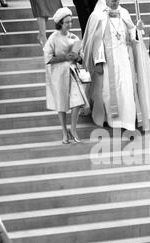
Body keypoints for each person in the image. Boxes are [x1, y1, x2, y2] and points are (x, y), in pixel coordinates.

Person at [82, 0, 150, 132]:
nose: (115, 3)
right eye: (112, 1)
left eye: (117, 0)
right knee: (108, 91)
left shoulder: (124, 13)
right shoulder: (98, 15)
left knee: (127, 90)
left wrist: (137, 29)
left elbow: (131, 34)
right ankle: (112, 120)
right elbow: (96, 41)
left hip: (125, 59)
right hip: (108, 61)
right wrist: (98, 60)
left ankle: (128, 120)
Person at [44, 7, 89, 144]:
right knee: (61, 103)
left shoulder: (74, 37)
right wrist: (65, 57)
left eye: (71, 21)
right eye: (67, 22)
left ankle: (73, 129)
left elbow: (81, 58)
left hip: (73, 72)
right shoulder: (53, 38)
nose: (70, 25)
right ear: (60, 23)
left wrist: (78, 57)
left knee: (77, 102)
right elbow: (48, 59)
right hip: (59, 74)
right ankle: (64, 132)